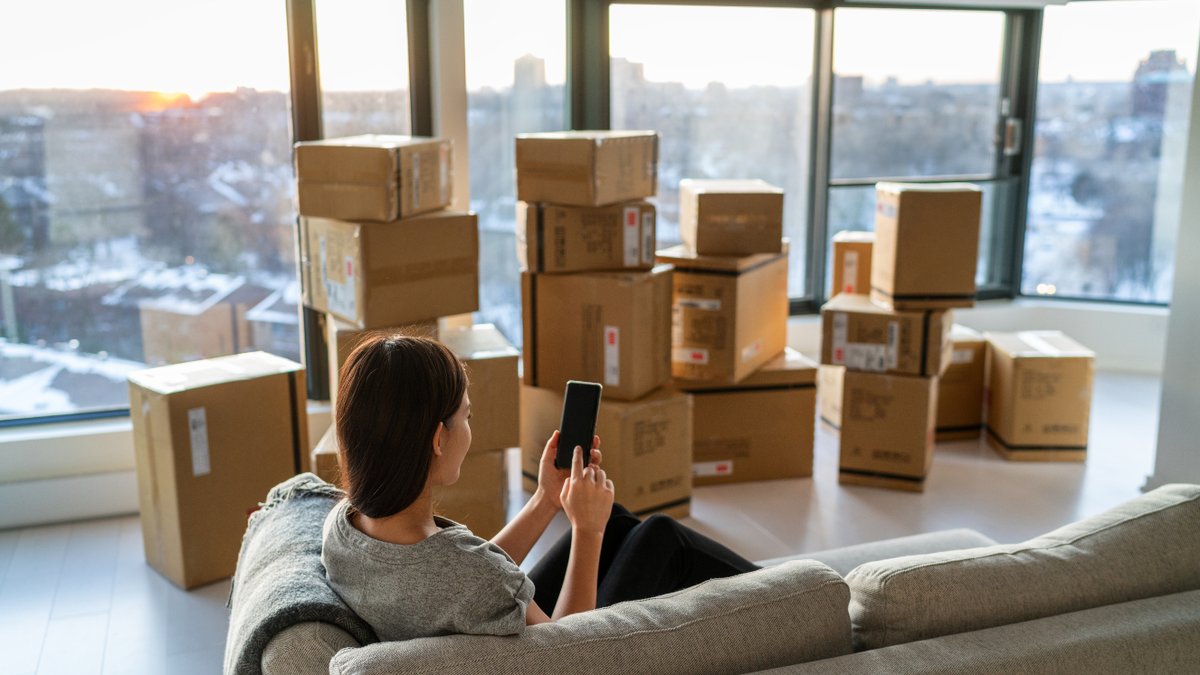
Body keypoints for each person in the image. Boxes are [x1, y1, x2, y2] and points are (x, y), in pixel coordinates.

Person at [321, 333, 759, 642]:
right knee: (661, 537)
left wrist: (547, 499)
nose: (470, 430)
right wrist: (587, 531)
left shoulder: (343, 527)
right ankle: (795, 596)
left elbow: (455, 577)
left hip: (471, 623)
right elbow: (570, 651)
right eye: (467, 417)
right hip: (558, 652)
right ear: (438, 439)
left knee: (622, 523)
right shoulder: (471, 577)